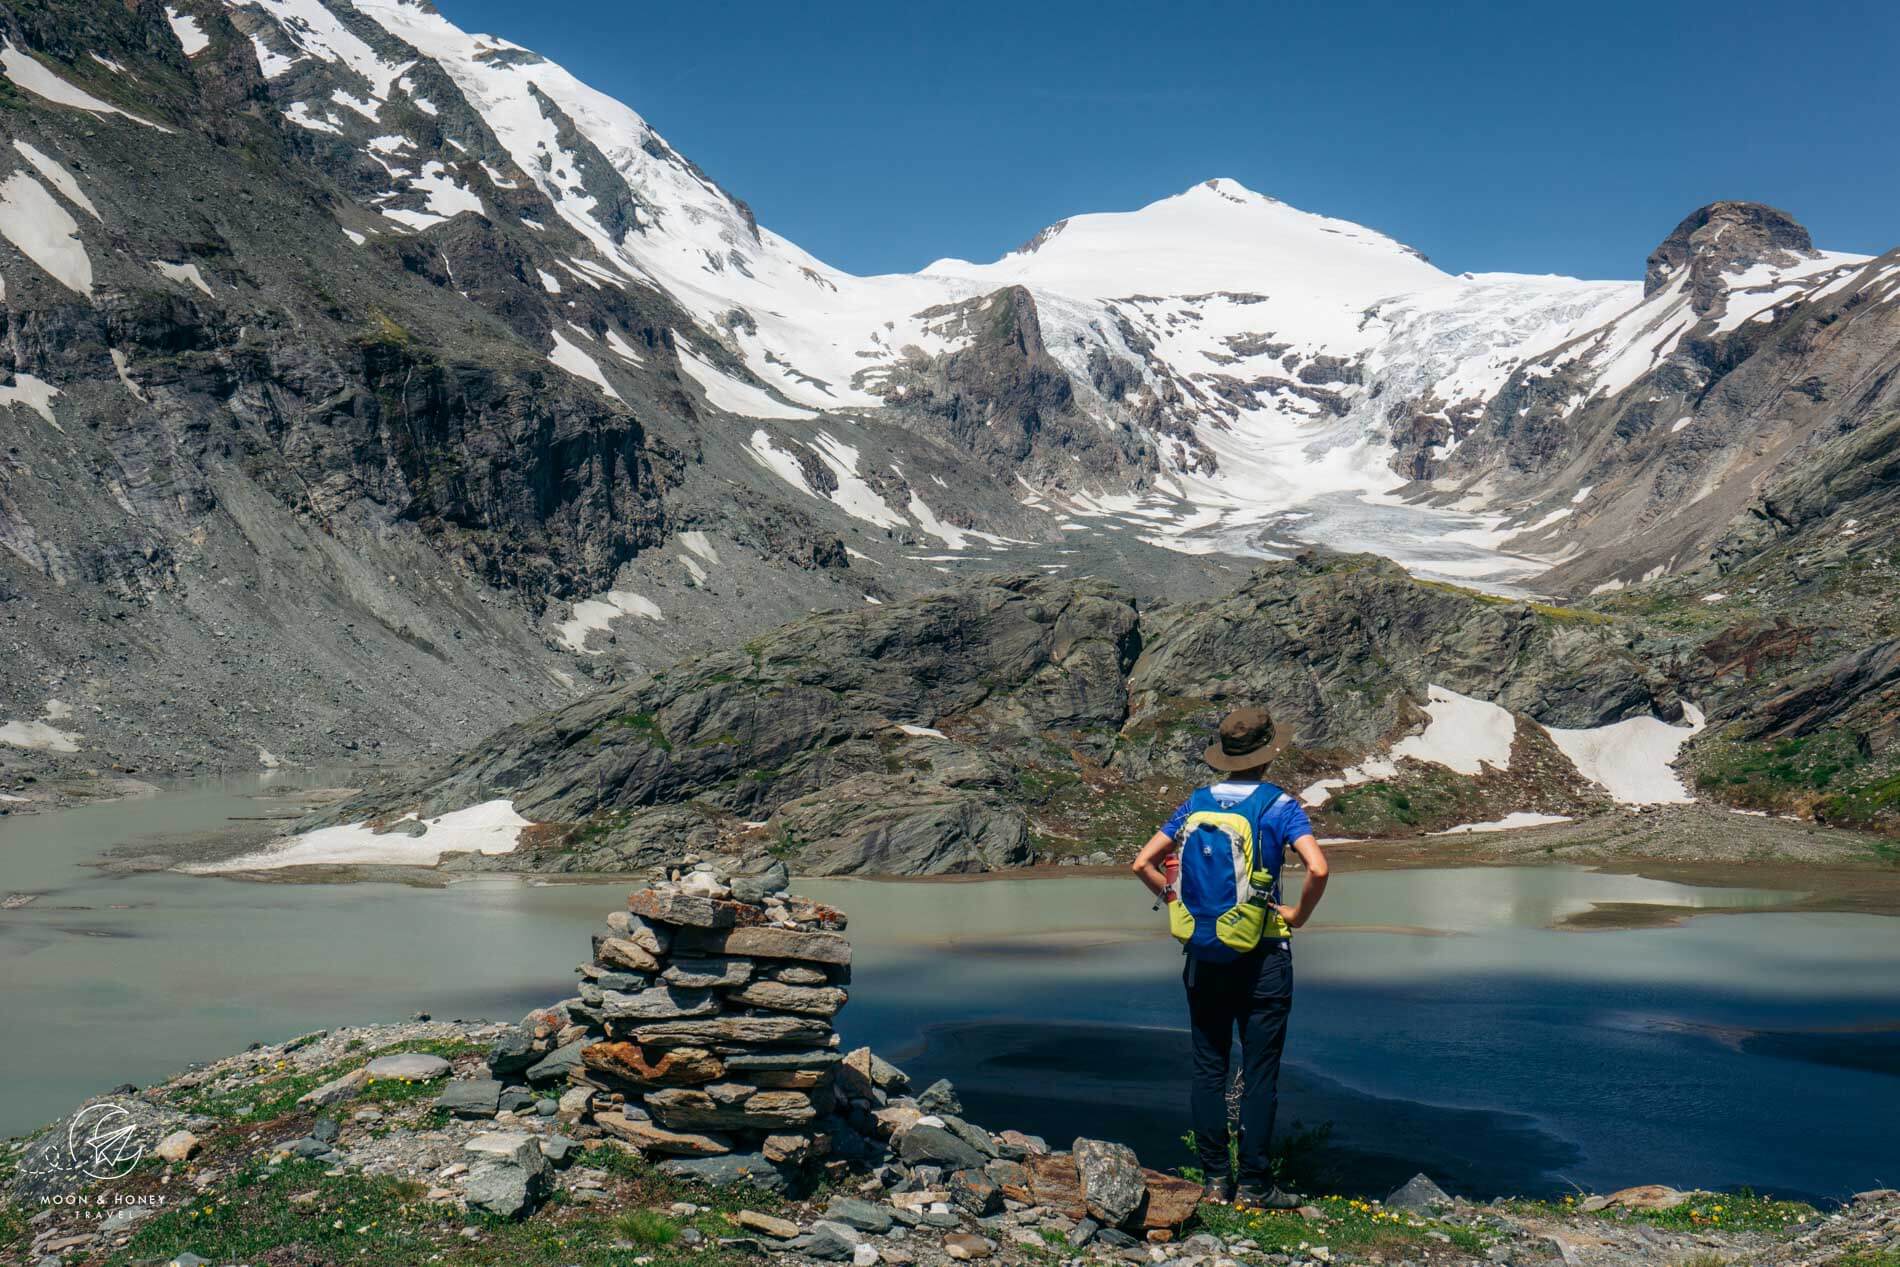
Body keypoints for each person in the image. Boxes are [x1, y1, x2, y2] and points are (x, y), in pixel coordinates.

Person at [1131, 706, 1329, 1210]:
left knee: (1208, 1067)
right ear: (1269, 752)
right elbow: (1319, 869)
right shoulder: (1279, 806)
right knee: (1260, 1070)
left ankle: (1216, 1182)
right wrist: (1298, 915)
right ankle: (1257, 1185)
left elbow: (1141, 862)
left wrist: (1175, 899)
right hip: (1263, 955)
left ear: (1225, 757)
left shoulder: (1195, 803)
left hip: (1203, 954)